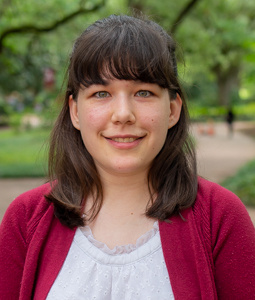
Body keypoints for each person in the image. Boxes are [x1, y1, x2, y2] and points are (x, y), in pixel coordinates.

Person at [0, 15, 254, 300]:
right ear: (75, 111)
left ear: (172, 110)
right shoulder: (25, 219)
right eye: (101, 93)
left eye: (143, 92)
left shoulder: (220, 217)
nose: (123, 114)